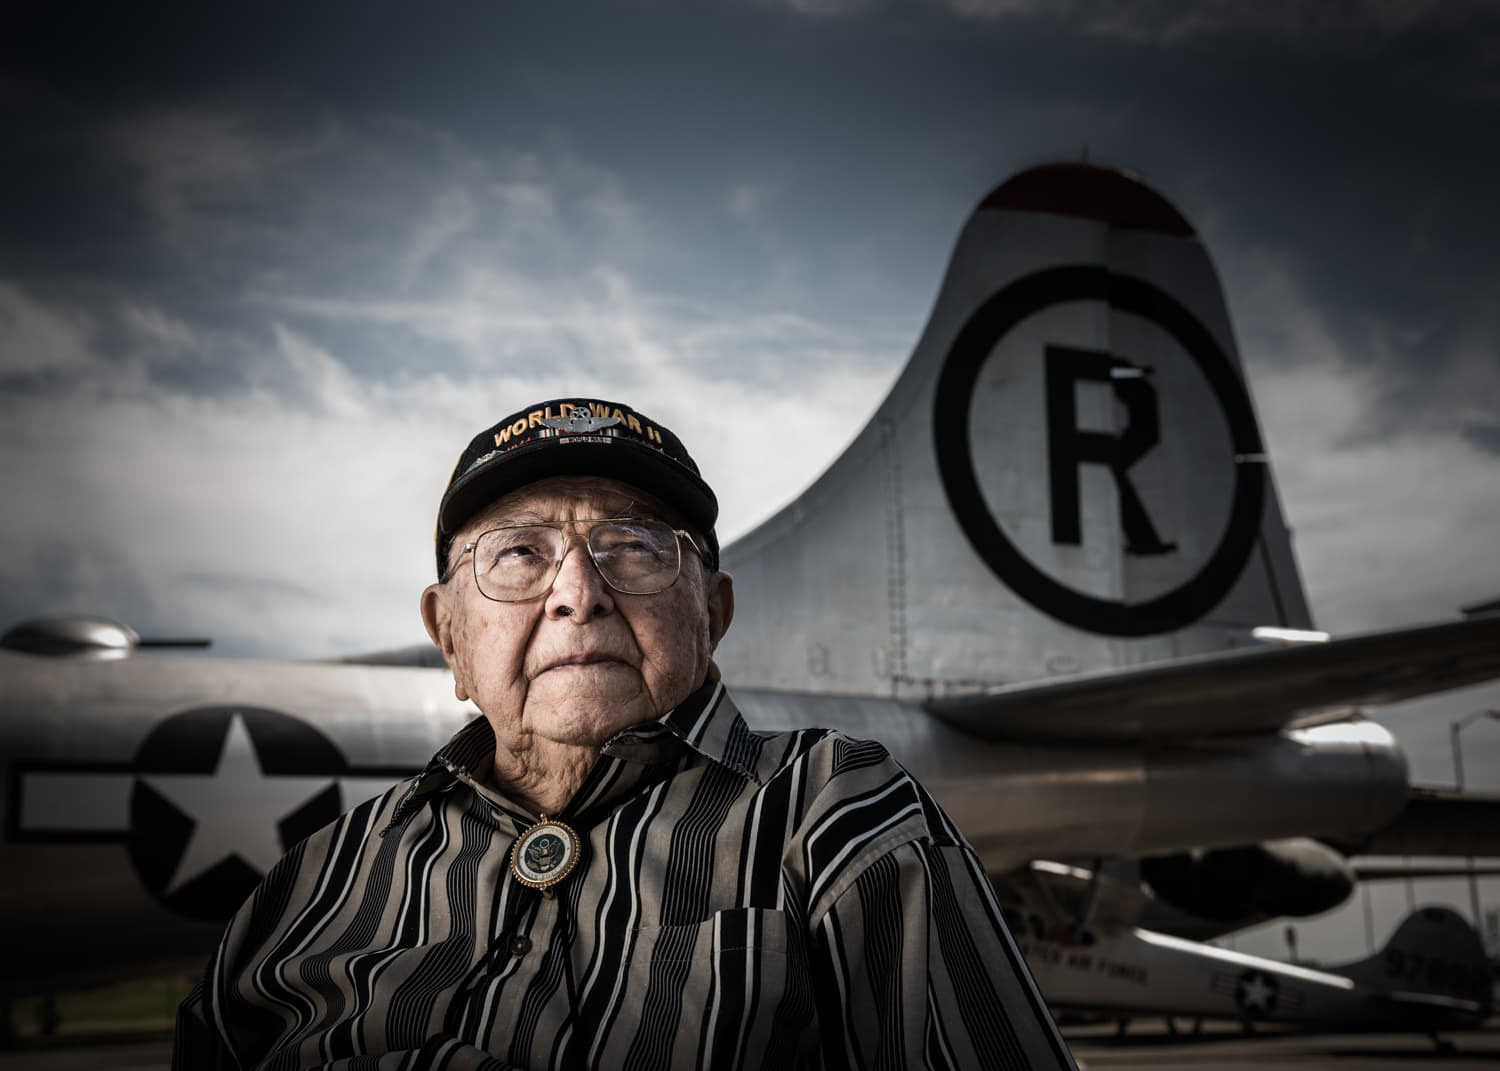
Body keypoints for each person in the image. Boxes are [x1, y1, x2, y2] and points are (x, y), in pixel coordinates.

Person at [174, 397, 1076, 1070]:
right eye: (519, 553)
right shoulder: (312, 883)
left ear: (711, 617)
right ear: (447, 632)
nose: (578, 591)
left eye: (636, 547)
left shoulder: (840, 817)